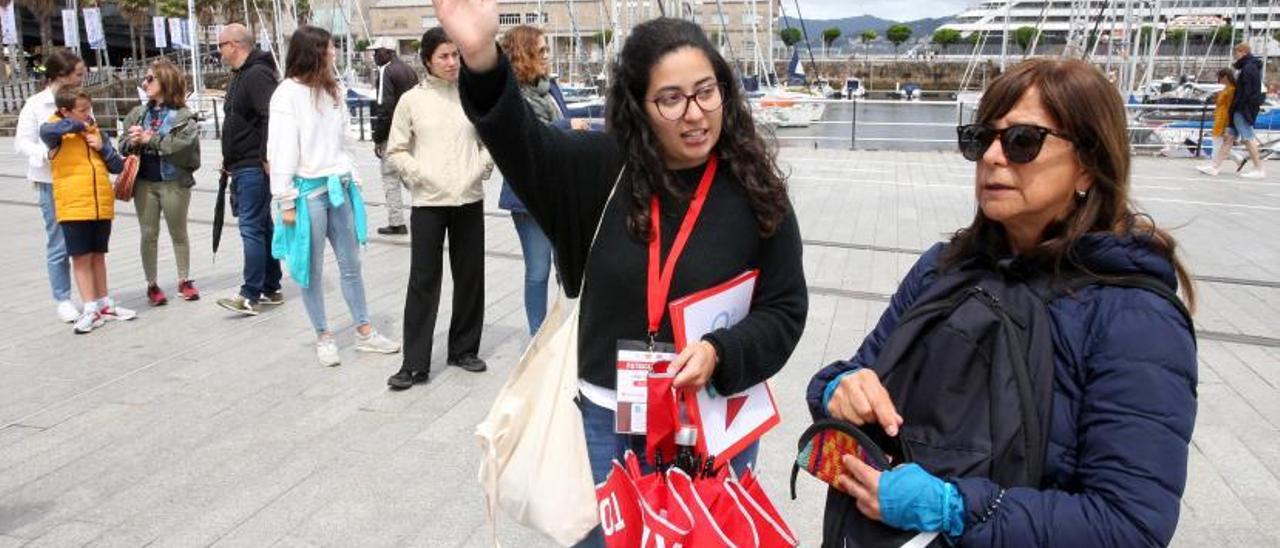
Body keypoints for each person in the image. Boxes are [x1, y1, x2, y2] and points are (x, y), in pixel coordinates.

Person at [436, 3, 808, 543]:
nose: (695, 113)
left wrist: (722, 352)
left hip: (711, 423)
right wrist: (480, 56)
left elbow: (786, 308)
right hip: (607, 422)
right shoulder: (600, 168)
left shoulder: (756, 190)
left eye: (707, 91)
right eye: (671, 98)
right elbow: (524, 144)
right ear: (639, 105)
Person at [806, 58, 1198, 546]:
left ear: (1090, 165)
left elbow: (1130, 525)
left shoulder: (1135, 318)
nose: (992, 156)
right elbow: (856, 372)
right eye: (980, 138)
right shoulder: (942, 268)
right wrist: (837, 388)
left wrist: (955, 509)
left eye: (1021, 141)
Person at [268, 25, 401, 366]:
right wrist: (284, 199)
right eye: (329, 48)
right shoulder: (286, 94)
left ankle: (364, 329)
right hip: (307, 192)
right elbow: (281, 148)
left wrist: (353, 179)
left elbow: (343, 142)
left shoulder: (335, 90)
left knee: (351, 264)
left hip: (339, 186)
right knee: (310, 267)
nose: (335, 53)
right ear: (315, 52)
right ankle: (323, 334)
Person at [384, 28, 493, 389]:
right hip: (428, 202)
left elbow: (489, 142)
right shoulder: (411, 101)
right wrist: (421, 177)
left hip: (469, 199)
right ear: (428, 59)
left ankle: (463, 349)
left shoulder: (472, 95)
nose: (451, 63)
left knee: (470, 277)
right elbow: (396, 149)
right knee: (423, 281)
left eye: (455, 55)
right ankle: (414, 363)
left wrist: (478, 170)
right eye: (443, 56)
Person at [497, 24, 590, 335]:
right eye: (543, 50)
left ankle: (570, 331)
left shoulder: (549, 87)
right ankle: (537, 336)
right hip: (529, 195)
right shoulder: (510, 95)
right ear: (525, 54)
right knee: (537, 271)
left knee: (568, 268)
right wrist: (568, 125)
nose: (549, 56)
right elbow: (528, 135)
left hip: (563, 189)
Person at [40, 88, 134, 334]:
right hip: (73, 205)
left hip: (100, 204)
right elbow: (47, 131)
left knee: (98, 255)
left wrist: (102, 147)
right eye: (82, 110)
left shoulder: (96, 131)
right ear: (64, 111)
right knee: (81, 258)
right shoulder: (55, 131)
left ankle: (104, 303)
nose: (88, 114)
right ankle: (89, 307)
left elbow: (116, 165)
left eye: (89, 109)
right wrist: (77, 126)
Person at [216, 23, 286, 316]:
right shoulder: (242, 75)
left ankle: (250, 292)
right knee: (262, 225)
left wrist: (267, 156)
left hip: (253, 165)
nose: (218, 52)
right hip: (241, 162)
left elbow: (271, 116)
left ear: (234, 45)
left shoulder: (256, 74)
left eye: (220, 46)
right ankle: (271, 285)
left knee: (251, 227)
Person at [121, 58, 202, 306]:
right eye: (145, 79)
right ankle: (152, 284)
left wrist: (150, 139)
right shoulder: (138, 113)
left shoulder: (184, 116)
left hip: (173, 181)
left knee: (179, 232)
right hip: (144, 181)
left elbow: (182, 147)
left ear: (165, 81)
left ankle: (184, 279)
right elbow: (122, 146)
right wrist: (133, 141)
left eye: (150, 78)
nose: (145, 83)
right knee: (148, 234)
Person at [15, 50, 83, 323]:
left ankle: (91, 295)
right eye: (78, 74)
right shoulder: (36, 104)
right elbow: (22, 142)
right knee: (58, 242)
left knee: (82, 240)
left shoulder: (78, 100)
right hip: (50, 180)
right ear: (61, 75)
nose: (82, 78)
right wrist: (45, 154)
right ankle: (63, 298)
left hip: (78, 176)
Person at [370, 37, 418, 235]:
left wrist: (378, 137)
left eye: (377, 52)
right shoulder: (409, 70)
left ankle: (396, 221)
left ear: (388, 52)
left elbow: (385, 107)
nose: (374, 56)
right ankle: (428, 208)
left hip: (393, 132)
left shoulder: (385, 71)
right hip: (412, 131)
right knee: (410, 174)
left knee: (390, 176)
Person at [1227, 42, 1266, 179]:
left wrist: (1239, 105)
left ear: (1243, 52)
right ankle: (1215, 165)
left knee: (1248, 138)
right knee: (1230, 137)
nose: (1235, 56)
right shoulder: (1251, 67)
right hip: (1242, 107)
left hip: (1242, 108)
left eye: (1236, 53)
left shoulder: (1248, 68)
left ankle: (1259, 168)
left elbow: (1248, 91)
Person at [1196, 68, 1236, 176]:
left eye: (1221, 78)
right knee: (1219, 141)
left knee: (1217, 141)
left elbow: (1228, 106)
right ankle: (1236, 159)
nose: (1219, 80)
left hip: (1224, 117)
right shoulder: (1226, 89)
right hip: (1220, 116)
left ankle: (1214, 165)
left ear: (1225, 77)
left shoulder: (1230, 90)